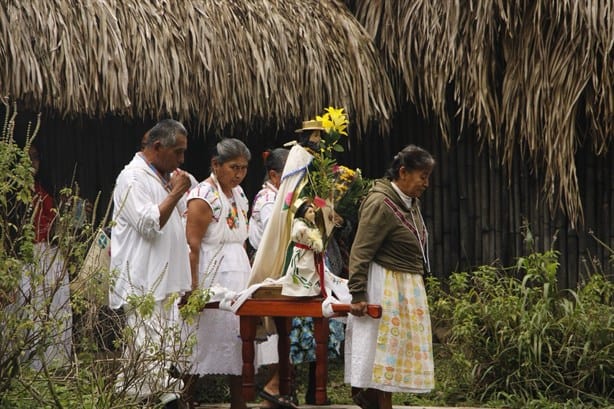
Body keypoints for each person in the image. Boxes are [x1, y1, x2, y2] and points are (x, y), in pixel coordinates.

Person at [345, 145, 436, 409]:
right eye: (423, 176)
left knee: (395, 354)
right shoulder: (380, 203)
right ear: (403, 172)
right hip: (385, 285)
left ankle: (373, 400)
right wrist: (358, 293)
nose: (426, 183)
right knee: (384, 352)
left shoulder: (410, 202)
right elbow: (361, 250)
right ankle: (373, 400)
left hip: (404, 285)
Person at [109, 119, 192, 406]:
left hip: (164, 283)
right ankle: (168, 401)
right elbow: (148, 224)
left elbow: (178, 220)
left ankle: (137, 401)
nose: (181, 159)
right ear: (158, 147)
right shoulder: (131, 178)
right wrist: (176, 192)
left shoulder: (160, 176)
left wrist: (175, 191)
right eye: (177, 152)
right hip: (143, 283)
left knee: (149, 358)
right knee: (150, 358)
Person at [184, 138, 253, 409]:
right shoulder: (203, 196)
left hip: (237, 270)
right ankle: (186, 398)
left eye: (244, 168)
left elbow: (243, 237)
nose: (239, 174)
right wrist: (192, 286)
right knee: (198, 336)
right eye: (233, 167)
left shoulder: (240, 194)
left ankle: (239, 401)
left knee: (236, 335)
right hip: (210, 269)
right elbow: (193, 244)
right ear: (216, 164)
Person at [18, 145, 73, 370]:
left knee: (54, 307)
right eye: (28, 158)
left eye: (36, 158)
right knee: (28, 308)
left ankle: (53, 362)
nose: (33, 163)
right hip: (24, 256)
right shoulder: (12, 192)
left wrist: (69, 212)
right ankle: (26, 366)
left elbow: (53, 228)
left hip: (48, 254)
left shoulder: (43, 188)